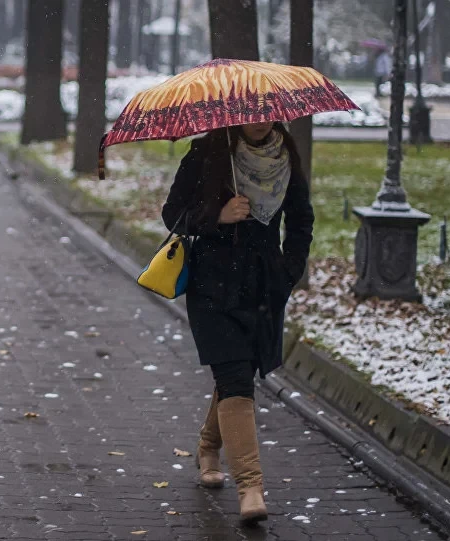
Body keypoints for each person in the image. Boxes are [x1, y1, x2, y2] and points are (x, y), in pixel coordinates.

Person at [161, 122, 314, 524]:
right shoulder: (207, 152)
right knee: (234, 377)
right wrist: (218, 215)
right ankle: (251, 488)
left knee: (239, 375)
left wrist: (288, 271)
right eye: (252, 112)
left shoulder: (285, 157)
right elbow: (173, 214)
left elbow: (301, 222)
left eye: (266, 111)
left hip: (263, 287)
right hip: (213, 286)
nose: (259, 119)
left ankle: (208, 447)